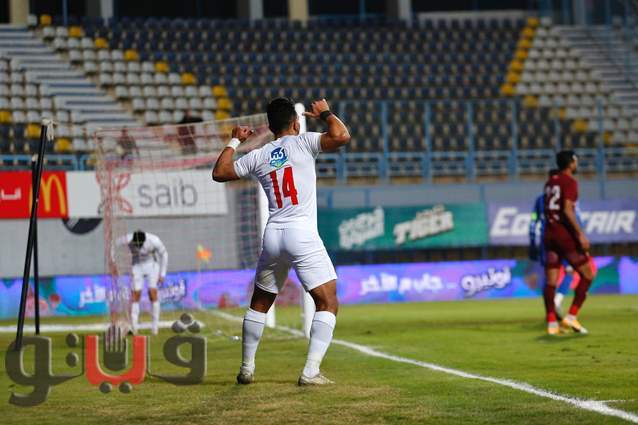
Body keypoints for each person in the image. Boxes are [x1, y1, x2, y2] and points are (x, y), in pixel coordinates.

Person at [212, 97, 350, 385]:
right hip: (301, 233)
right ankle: (310, 371)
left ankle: (247, 368)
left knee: (260, 303)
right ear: (296, 123)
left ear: (271, 126)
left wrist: (235, 141)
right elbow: (341, 136)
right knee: (327, 302)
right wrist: (325, 113)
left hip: (273, 234)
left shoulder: (259, 155)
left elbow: (220, 172)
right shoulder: (304, 142)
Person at [542, 151, 596, 335]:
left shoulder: (550, 183)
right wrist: (580, 235)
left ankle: (552, 323)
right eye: (575, 161)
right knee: (587, 274)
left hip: (549, 234)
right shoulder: (569, 182)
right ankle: (571, 316)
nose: (576, 164)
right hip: (563, 235)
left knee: (551, 281)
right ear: (571, 163)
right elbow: (567, 210)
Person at [529, 169, 574, 320]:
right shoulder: (566, 198)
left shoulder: (540, 200)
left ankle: (551, 311)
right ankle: (556, 303)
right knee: (568, 271)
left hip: (546, 241)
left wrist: (532, 243)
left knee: (549, 277)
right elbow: (575, 218)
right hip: (563, 240)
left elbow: (533, 223)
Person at [112, 230, 168, 335]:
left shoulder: (154, 240)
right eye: (136, 244)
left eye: (140, 245)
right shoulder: (127, 239)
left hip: (151, 265)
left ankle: (155, 327)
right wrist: (113, 263)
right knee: (135, 295)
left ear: (144, 241)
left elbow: (164, 254)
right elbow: (113, 245)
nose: (138, 247)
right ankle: (134, 328)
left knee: (152, 293)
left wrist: (162, 274)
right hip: (136, 265)